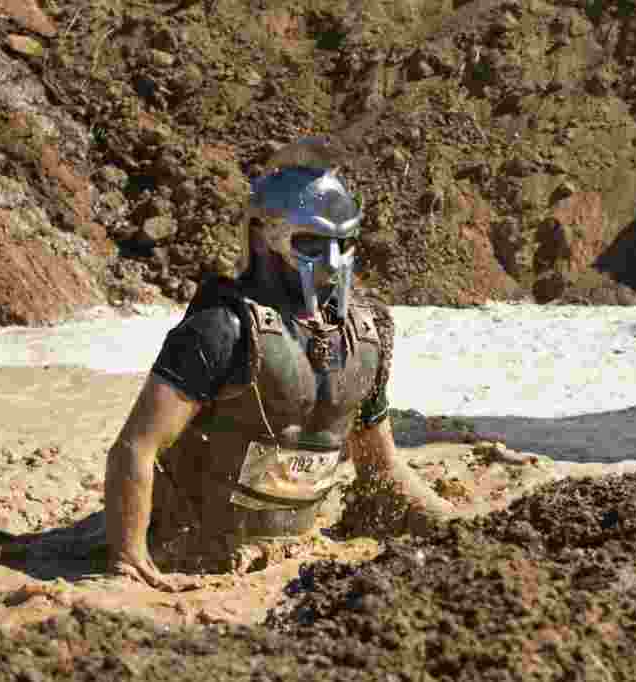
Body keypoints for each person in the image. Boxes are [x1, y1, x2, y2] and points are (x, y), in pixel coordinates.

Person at [105, 137, 455, 588]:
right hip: (202, 553)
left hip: (300, 553)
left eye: (343, 243)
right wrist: (129, 560)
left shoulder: (367, 337)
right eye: (310, 243)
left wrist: (455, 528)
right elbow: (137, 446)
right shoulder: (220, 328)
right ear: (262, 236)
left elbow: (382, 470)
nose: (331, 264)